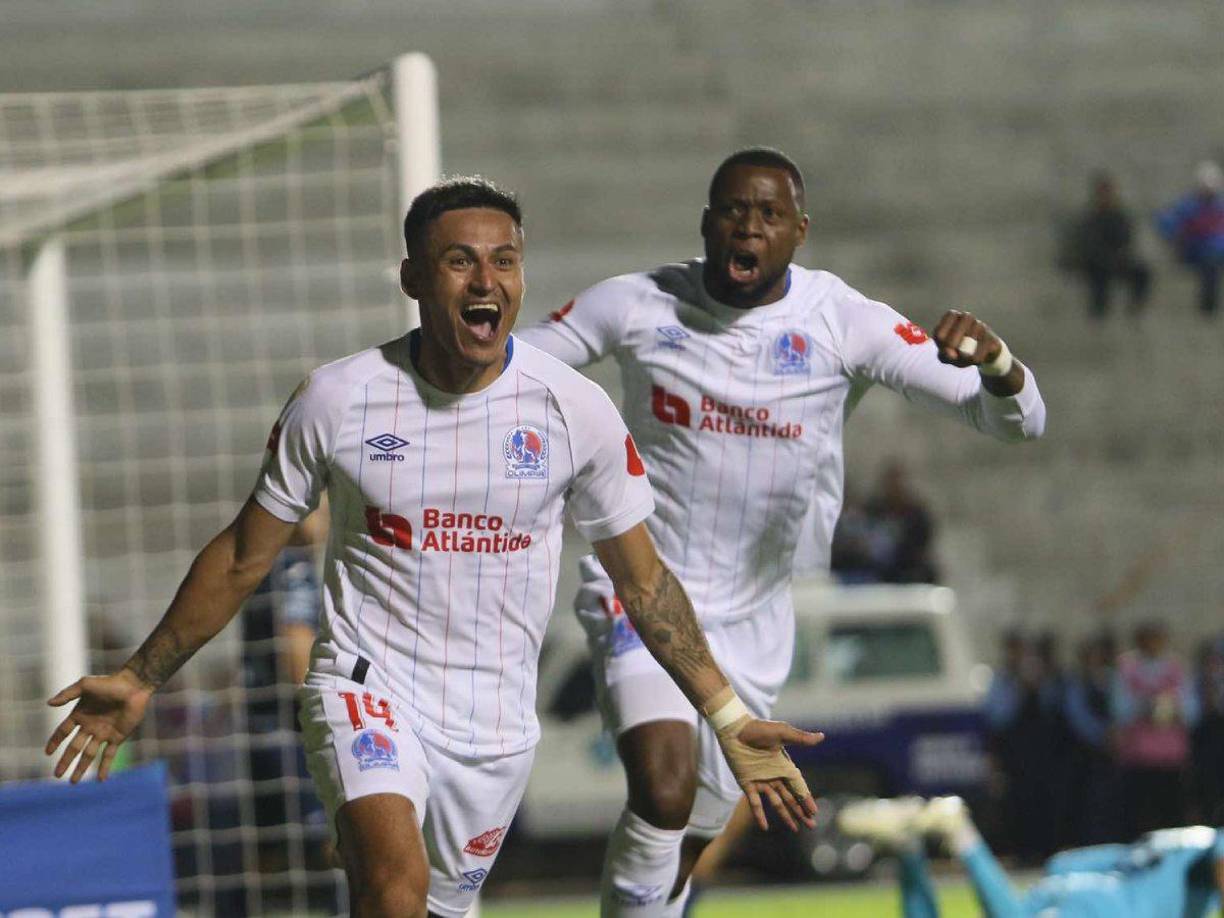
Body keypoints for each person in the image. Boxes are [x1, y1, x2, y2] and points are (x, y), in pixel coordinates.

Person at [43, 177, 822, 918]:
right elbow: (246, 553)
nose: (486, 280)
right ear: (414, 277)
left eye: (504, 261)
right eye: (460, 261)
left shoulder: (573, 411)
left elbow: (644, 584)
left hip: (494, 728)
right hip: (366, 686)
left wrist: (722, 713)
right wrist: (143, 674)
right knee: (392, 887)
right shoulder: (338, 399)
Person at [516, 146, 1047, 916]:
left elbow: (1018, 422)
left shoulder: (844, 322)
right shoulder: (636, 304)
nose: (749, 227)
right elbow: (510, 361)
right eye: (733, 210)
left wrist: (998, 362)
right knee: (661, 787)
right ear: (706, 223)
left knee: (691, 835)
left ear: (800, 231)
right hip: (641, 585)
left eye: (769, 215)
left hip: (757, 615)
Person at [838, 795, 1224, 918]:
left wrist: (1063, 886)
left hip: (1076, 891)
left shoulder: (1174, 841)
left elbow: (1067, 863)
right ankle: (962, 833)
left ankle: (908, 850)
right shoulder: (1209, 845)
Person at [1113, 621, 1200, 837]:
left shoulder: (1175, 668)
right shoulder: (1127, 667)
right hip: (1138, 757)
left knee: (1172, 815)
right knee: (1138, 815)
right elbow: (1120, 709)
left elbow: (1191, 711)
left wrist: (1172, 708)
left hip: (1171, 757)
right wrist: (1147, 707)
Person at [1059, 171, 1151, 319]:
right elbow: (1086, 244)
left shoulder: (1119, 216)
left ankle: (1135, 308)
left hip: (1116, 259)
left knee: (1142, 272)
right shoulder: (1090, 217)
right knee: (1100, 275)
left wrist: (1120, 255)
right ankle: (1098, 313)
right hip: (1094, 261)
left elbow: (1126, 238)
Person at [1156, 160, 1224, 316]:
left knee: (1213, 258)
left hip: (1218, 251)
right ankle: (1207, 309)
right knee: (1210, 264)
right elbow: (1167, 221)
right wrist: (1174, 234)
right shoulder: (1188, 205)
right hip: (1195, 252)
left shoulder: (1220, 206)